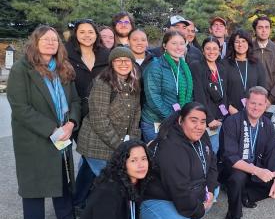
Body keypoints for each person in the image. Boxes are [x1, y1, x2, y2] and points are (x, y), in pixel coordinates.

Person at [7, 25, 81, 219]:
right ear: (35, 42)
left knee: (62, 177)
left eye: (55, 40)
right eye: (46, 39)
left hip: (63, 131)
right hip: (34, 136)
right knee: (34, 183)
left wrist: (71, 123)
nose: (51, 43)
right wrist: (52, 129)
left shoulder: (62, 68)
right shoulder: (22, 69)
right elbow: (20, 107)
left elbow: (75, 101)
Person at [141, 103, 218, 219]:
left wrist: (211, 190)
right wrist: (199, 209)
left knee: (213, 191)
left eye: (203, 122)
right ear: (180, 120)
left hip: (186, 190)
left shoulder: (202, 135)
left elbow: (212, 163)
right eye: (193, 120)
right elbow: (179, 188)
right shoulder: (171, 146)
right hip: (157, 198)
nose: (199, 126)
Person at [219, 86, 275, 219]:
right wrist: (257, 171)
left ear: (266, 106)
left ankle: (246, 195)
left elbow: (272, 153)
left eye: (260, 104)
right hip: (234, 168)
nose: (256, 107)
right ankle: (233, 216)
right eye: (253, 103)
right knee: (238, 177)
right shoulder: (232, 122)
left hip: (255, 167)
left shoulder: (267, 124)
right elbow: (230, 157)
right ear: (246, 102)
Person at [77, 47, 142, 177]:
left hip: (117, 144)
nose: (123, 64)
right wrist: (120, 145)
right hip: (97, 146)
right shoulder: (103, 83)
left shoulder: (133, 83)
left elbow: (136, 114)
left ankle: (79, 197)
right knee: (109, 183)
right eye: (118, 60)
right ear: (111, 64)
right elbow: (99, 120)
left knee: (87, 185)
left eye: (127, 60)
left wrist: (132, 141)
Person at [65, 19, 109, 209]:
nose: (86, 35)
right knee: (92, 157)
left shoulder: (105, 55)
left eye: (90, 32)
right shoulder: (67, 55)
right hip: (78, 114)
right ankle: (85, 199)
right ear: (76, 34)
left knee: (89, 157)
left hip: (102, 113)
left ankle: (81, 199)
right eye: (82, 32)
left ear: (96, 34)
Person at [141, 30, 193, 142]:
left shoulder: (185, 68)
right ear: (165, 45)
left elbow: (190, 95)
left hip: (176, 122)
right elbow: (153, 98)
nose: (178, 47)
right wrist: (174, 118)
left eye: (181, 43)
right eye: (174, 43)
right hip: (155, 123)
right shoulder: (155, 66)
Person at [190, 37, 229, 154]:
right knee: (206, 151)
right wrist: (209, 118)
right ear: (203, 50)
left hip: (220, 118)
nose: (211, 52)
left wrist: (223, 115)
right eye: (208, 48)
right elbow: (199, 94)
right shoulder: (196, 66)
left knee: (216, 151)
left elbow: (224, 93)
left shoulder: (221, 68)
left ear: (220, 50)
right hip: (205, 118)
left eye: (215, 48)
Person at [223, 30, 266, 115]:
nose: (240, 45)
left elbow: (262, 89)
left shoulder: (257, 64)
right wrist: (229, 107)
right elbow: (221, 91)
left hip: (253, 112)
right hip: (231, 112)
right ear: (232, 44)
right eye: (237, 42)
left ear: (248, 44)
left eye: (243, 41)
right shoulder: (224, 64)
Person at [251, 16, 275, 110]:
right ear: (255, 30)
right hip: (250, 99)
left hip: (271, 100)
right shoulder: (248, 49)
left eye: (267, 27)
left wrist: (270, 99)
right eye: (260, 27)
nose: (264, 30)